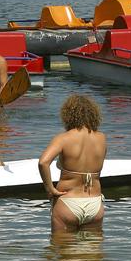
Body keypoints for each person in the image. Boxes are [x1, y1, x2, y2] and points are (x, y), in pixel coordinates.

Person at [38, 95, 107, 233]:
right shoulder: (102, 138)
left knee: (62, 250)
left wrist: (50, 189)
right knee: (93, 254)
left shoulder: (63, 138)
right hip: (94, 203)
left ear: (68, 115)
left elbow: (43, 162)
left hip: (68, 203)